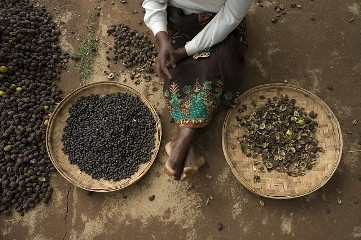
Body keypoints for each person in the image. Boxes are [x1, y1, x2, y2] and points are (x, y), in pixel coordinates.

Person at [142, 0, 252, 181]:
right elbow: (153, 2)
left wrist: (184, 52)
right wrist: (162, 41)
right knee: (175, 68)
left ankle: (182, 142)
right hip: (176, 18)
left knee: (215, 67)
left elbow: (230, 17)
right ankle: (185, 144)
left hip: (218, 25)